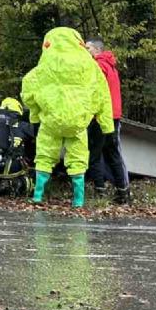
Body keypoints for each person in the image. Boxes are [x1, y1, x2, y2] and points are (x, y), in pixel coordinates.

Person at [21, 27, 113, 208]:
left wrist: (34, 115)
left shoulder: (44, 66)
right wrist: (106, 124)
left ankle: (38, 195)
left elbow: (28, 91)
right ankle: (78, 200)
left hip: (51, 120)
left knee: (45, 155)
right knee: (78, 158)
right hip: (78, 121)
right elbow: (103, 95)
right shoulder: (90, 66)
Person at [84, 37, 130, 204]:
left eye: (88, 48)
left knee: (94, 155)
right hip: (114, 115)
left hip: (100, 116)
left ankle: (100, 192)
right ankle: (123, 192)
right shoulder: (111, 66)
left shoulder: (97, 66)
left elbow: (92, 92)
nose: (85, 51)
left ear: (97, 50)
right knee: (113, 154)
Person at [0, 97, 35, 197]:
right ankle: (22, 187)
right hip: (15, 168)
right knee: (32, 169)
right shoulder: (23, 126)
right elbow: (38, 135)